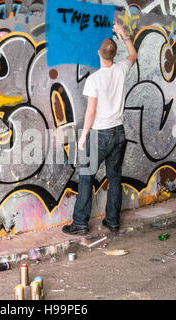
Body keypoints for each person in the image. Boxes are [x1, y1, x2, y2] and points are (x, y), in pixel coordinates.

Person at [62, 20, 137, 236]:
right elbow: (133, 54)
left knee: (86, 177)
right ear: (114, 55)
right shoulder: (122, 69)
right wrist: (124, 34)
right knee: (115, 178)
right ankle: (112, 221)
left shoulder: (94, 80)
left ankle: (80, 223)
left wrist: (83, 136)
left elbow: (90, 112)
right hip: (119, 132)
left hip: (100, 134)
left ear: (99, 53)